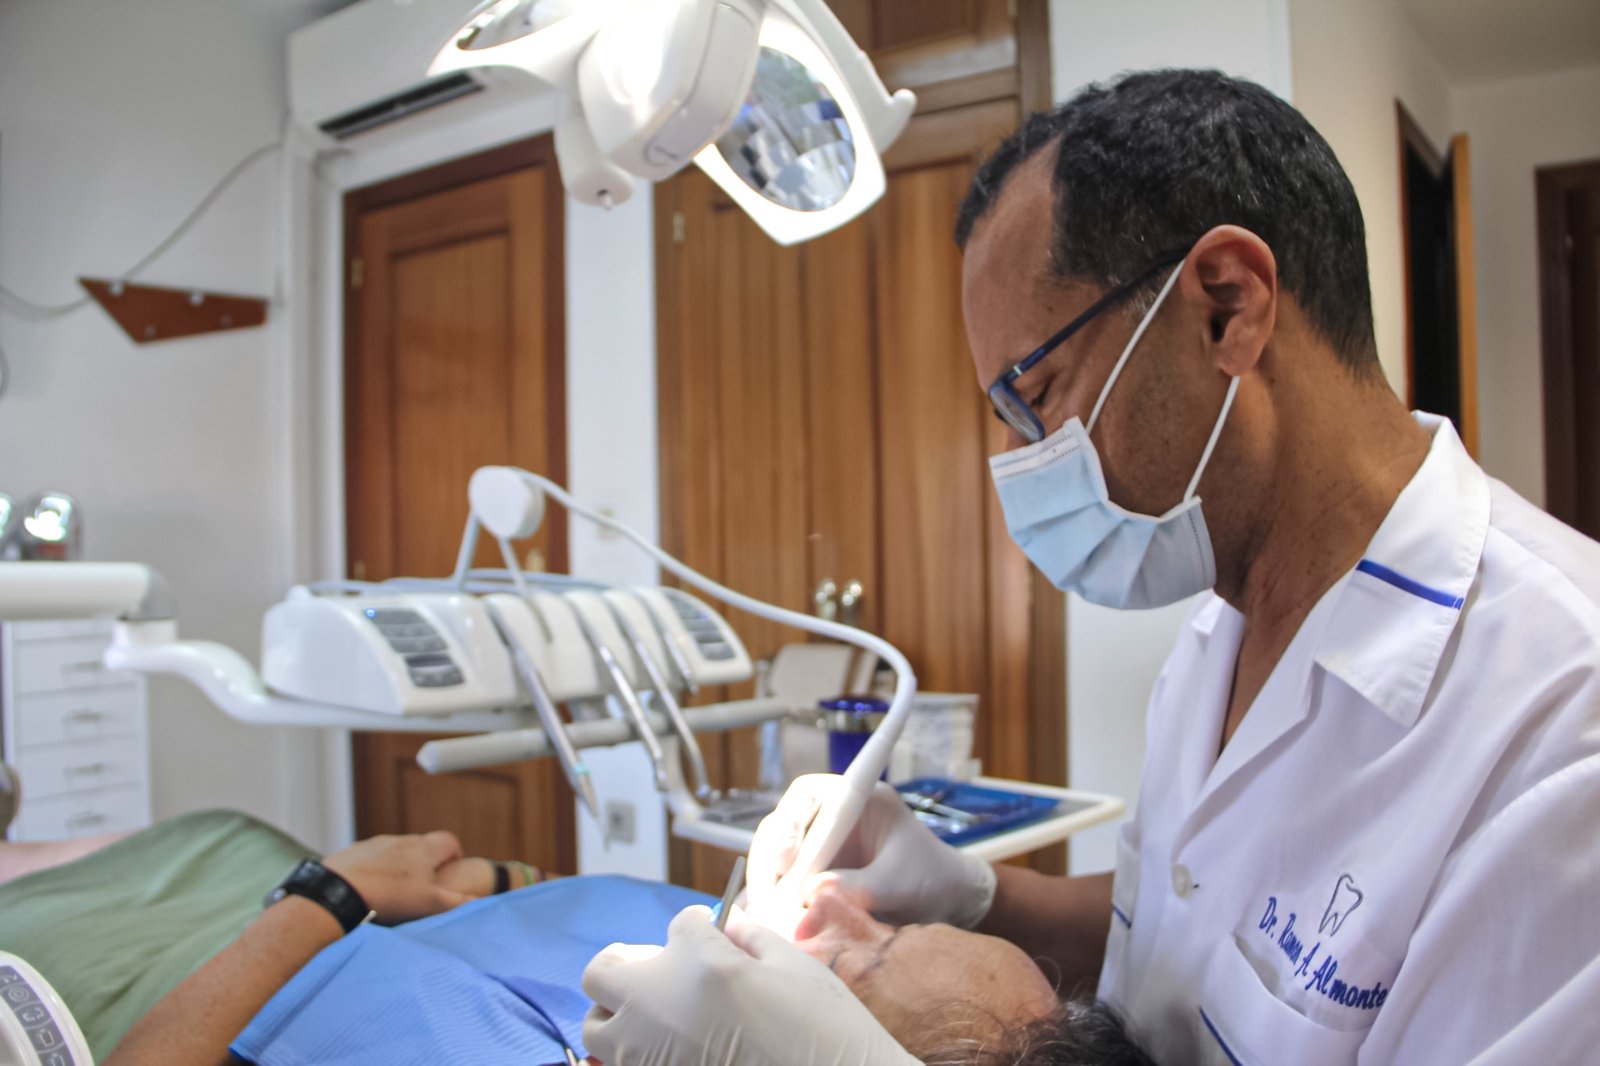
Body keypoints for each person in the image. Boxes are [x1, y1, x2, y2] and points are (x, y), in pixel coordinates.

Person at [580, 68, 1600, 1064]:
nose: (1023, 466)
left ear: (1226, 306)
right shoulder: (1223, 628)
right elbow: (1178, 945)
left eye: (1039, 393)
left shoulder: (1556, 725)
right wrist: (976, 895)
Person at [0, 810, 1154, 1064]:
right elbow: (534, 899)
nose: (840, 907)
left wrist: (327, 894)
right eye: (894, 915)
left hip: (174, 967)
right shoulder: (688, 986)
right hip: (331, 886)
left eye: (860, 959)